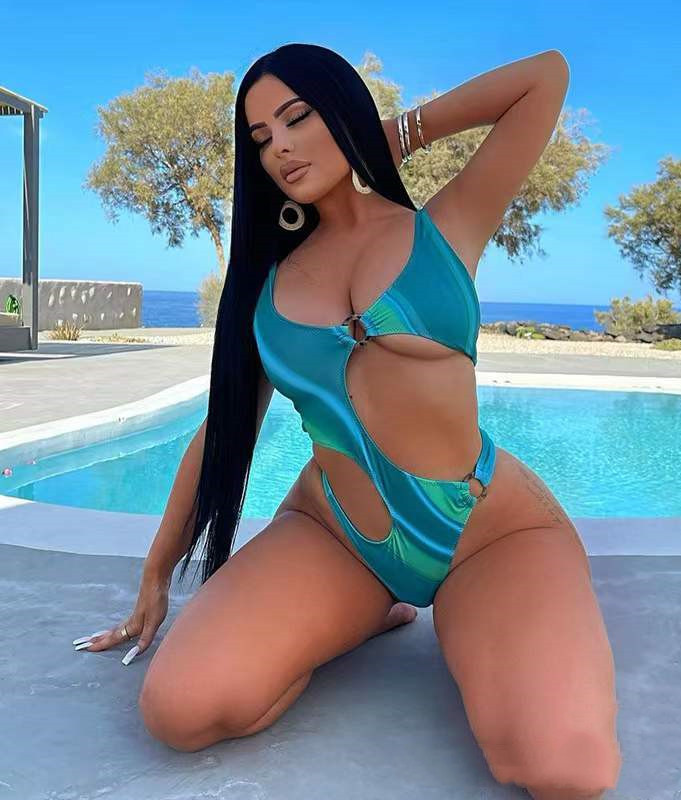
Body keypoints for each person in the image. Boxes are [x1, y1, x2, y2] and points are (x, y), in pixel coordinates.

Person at [73, 44, 621, 798]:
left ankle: (450, 613)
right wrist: (156, 571)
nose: (281, 146)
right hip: (335, 537)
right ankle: (369, 610)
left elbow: (544, 77)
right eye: (261, 138)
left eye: (298, 117)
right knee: (180, 711)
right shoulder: (263, 290)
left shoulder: (446, 226)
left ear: (342, 112)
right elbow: (224, 432)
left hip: (487, 533)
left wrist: (391, 136)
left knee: (565, 769)